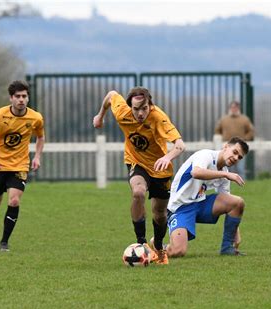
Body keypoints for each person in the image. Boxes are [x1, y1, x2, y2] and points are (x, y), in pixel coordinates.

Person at [93, 87, 185, 265]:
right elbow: (111, 95)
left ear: (150, 104)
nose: (140, 113)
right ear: (130, 107)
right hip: (137, 162)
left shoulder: (158, 117)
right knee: (138, 193)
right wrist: (100, 116)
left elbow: (180, 145)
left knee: (159, 214)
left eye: (144, 108)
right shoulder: (123, 112)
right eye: (136, 109)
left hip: (161, 168)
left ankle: (158, 246)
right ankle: (141, 243)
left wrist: (167, 157)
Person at [0, 80, 45, 252]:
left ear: (28, 98)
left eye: (24, 96)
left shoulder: (35, 117)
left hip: (20, 166)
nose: (21, 99)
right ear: (11, 98)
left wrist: (37, 156)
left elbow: (41, 137)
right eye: (18, 96)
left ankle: (4, 242)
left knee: (14, 201)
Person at [165, 136, 249, 257]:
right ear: (225, 147)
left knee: (237, 202)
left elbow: (229, 204)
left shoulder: (224, 172)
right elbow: (196, 172)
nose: (236, 158)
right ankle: (158, 246)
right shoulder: (206, 155)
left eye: (239, 157)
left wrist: (236, 232)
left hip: (200, 204)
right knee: (178, 251)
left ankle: (227, 248)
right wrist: (226, 174)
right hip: (180, 208)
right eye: (235, 152)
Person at [214, 101, 254, 179]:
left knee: (240, 168)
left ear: (238, 108)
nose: (234, 109)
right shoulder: (224, 119)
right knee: (227, 167)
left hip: (239, 148)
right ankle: (227, 183)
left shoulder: (244, 119)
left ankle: (242, 183)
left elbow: (251, 131)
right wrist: (220, 138)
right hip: (228, 147)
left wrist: (244, 139)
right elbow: (217, 130)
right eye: (232, 107)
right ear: (230, 108)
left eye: (235, 107)